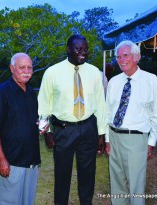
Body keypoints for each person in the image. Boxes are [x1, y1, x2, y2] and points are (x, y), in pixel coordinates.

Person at [38, 34, 106, 205]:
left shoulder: (94, 73)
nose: (83, 52)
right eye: (79, 49)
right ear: (68, 49)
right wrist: (46, 133)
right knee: (62, 174)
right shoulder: (52, 72)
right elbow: (44, 104)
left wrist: (102, 133)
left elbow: (100, 104)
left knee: (88, 173)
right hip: (63, 130)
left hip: (88, 127)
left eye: (85, 49)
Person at [105, 40, 157, 205]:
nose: (121, 59)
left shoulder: (150, 80)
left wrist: (151, 142)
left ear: (136, 57)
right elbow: (108, 112)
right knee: (116, 184)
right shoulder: (114, 82)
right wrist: (108, 139)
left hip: (136, 139)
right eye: (118, 57)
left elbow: (156, 115)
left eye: (126, 55)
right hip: (114, 137)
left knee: (136, 188)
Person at [0, 53, 41, 205]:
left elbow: (30, 121)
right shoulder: (1, 92)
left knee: (27, 201)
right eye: (21, 67)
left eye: (29, 67)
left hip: (31, 160)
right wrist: (1, 159)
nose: (26, 71)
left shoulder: (31, 93)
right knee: (9, 202)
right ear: (12, 68)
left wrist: (40, 126)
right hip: (11, 162)